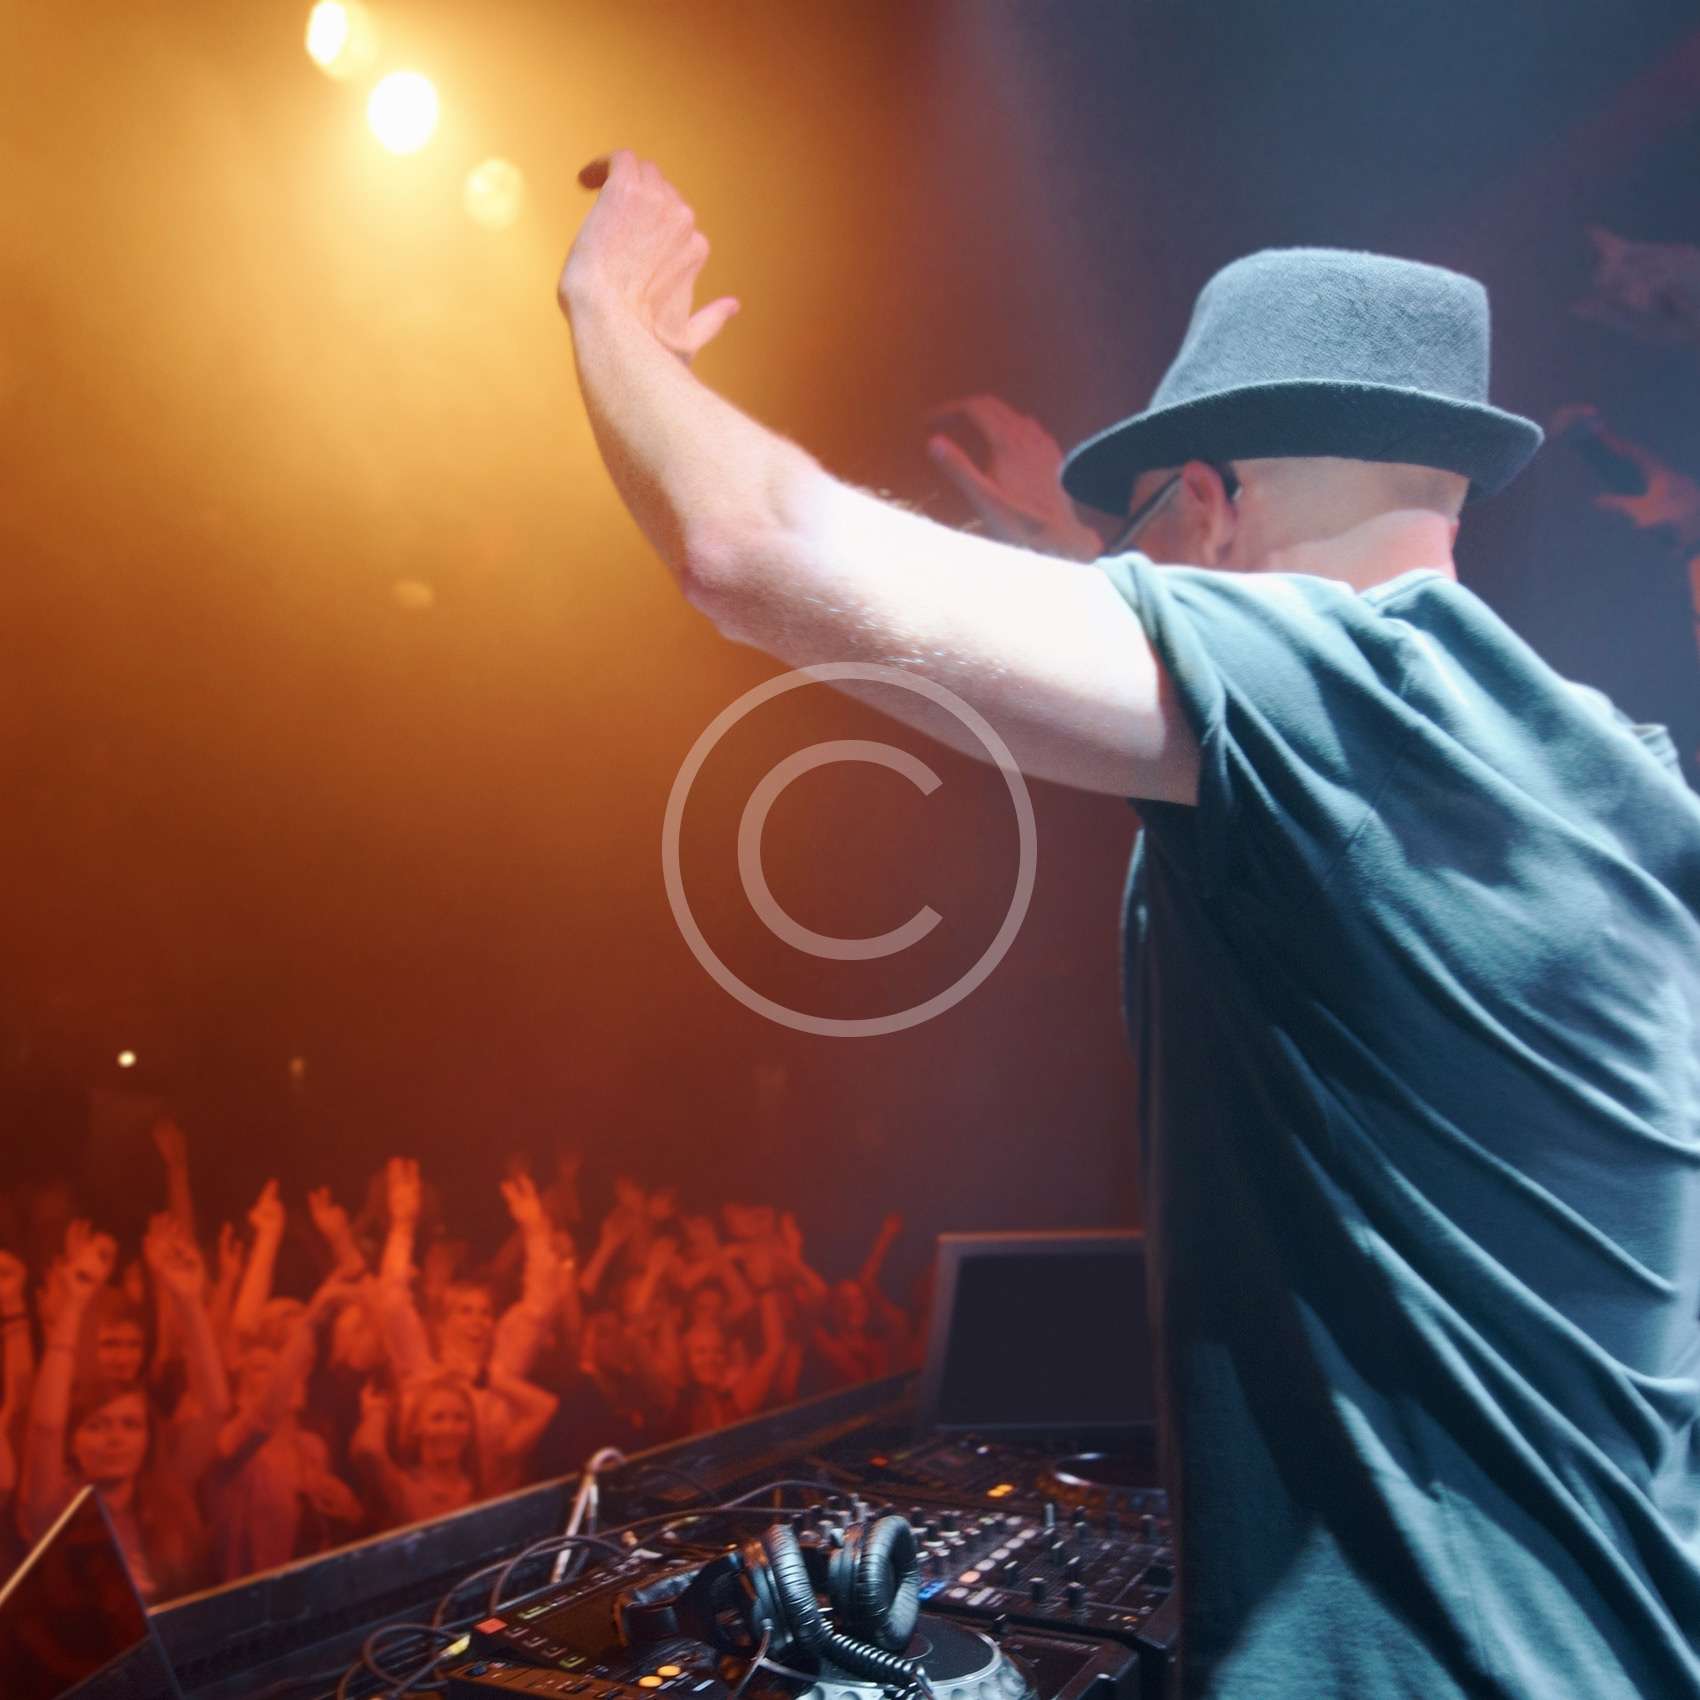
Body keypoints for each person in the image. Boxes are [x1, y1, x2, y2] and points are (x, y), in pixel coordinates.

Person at [556, 154, 1700, 1697]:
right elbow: (1261, 742)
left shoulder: (1328, 683)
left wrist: (610, 310)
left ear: (1213, 507)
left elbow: (750, 543)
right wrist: (1062, 543)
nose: (1122, 569)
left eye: (1144, 524)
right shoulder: (1591, 765)